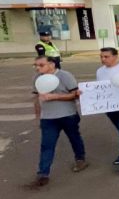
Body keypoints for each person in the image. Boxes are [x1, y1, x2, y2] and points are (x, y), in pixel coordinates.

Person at [29, 56, 87, 187]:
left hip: (68, 115)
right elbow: (36, 99)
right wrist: (38, 116)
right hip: (48, 118)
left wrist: (56, 96)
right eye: (35, 65)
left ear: (51, 64)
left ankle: (80, 159)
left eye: (41, 65)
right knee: (47, 145)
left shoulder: (65, 76)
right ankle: (43, 174)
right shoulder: (37, 79)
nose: (37, 68)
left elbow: (75, 95)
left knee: (74, 138)